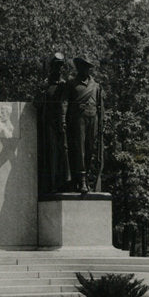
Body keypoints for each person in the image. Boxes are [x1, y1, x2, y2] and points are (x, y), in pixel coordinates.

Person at [66, 56, 104, 194]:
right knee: (79, 149)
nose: (86, 69)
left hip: (93, 118)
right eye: (83, 66)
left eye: (88, 66)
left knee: (90, 149)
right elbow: (65, 104)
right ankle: (81, 178)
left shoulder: (96, 86)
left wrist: (101, 124)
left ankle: (86, 176)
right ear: (78, 67)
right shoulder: (71, 84)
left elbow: (100, 107)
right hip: (78, 118)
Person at [38, 52, 70, 194]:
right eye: (56, 66)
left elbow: (68, 104)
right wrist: (42, 89)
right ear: (51, 67)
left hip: (63, 124)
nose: (58, 69)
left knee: (64, 152)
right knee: (51, 154)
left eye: (61, 66)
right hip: (49, 124)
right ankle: (51, 184)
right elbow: (36, 104)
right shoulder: (46, 86)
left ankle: (65, 182)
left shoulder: (65, 85)